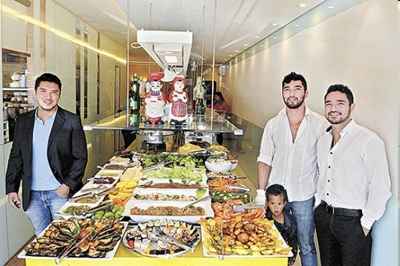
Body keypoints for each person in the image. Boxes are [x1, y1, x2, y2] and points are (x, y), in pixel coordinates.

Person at [314, 84, 391, 266]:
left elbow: (381, 186)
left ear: (352, 106)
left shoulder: (368, 140)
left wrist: (366, 224)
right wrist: (318, 206)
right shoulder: (323, 140)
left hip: (353, 222)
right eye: (328, 103)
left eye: (340, 103)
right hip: (324, 217)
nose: (333, 108)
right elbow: (322, 175)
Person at [5, 73, 88, 235]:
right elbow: (16, 156)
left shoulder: (71, 120)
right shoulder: (23, 121)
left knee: (68, 238)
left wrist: (68, 185)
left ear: (59, 94)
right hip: (33, 196)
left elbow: (80, 157)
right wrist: (11, 188)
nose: (48, 97)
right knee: (43, 240)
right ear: (35, 92)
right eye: (43, 91)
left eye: (54, 92)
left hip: (60, 193)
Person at [256, 72, 325, 266]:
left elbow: (325, 163)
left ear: (306, 92)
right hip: (276, 198)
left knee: (306, 245)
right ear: (282, 94)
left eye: (297, 88)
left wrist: (320, 196)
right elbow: (264, 159)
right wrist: (262, 195)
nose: (291, 93)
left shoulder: (320, 125)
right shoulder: (273, 124)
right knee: (272, 243)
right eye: (287, 89)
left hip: (304, 196)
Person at [265, 184, 298, 266]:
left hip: (287, 258)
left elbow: (294, 243)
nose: (276, 207)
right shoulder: (266, 220)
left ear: (284, 203)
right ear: (267, 203)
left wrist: (290, 260)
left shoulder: (290, 221)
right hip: (271, 258)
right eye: (272, 203)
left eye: (279, 204)